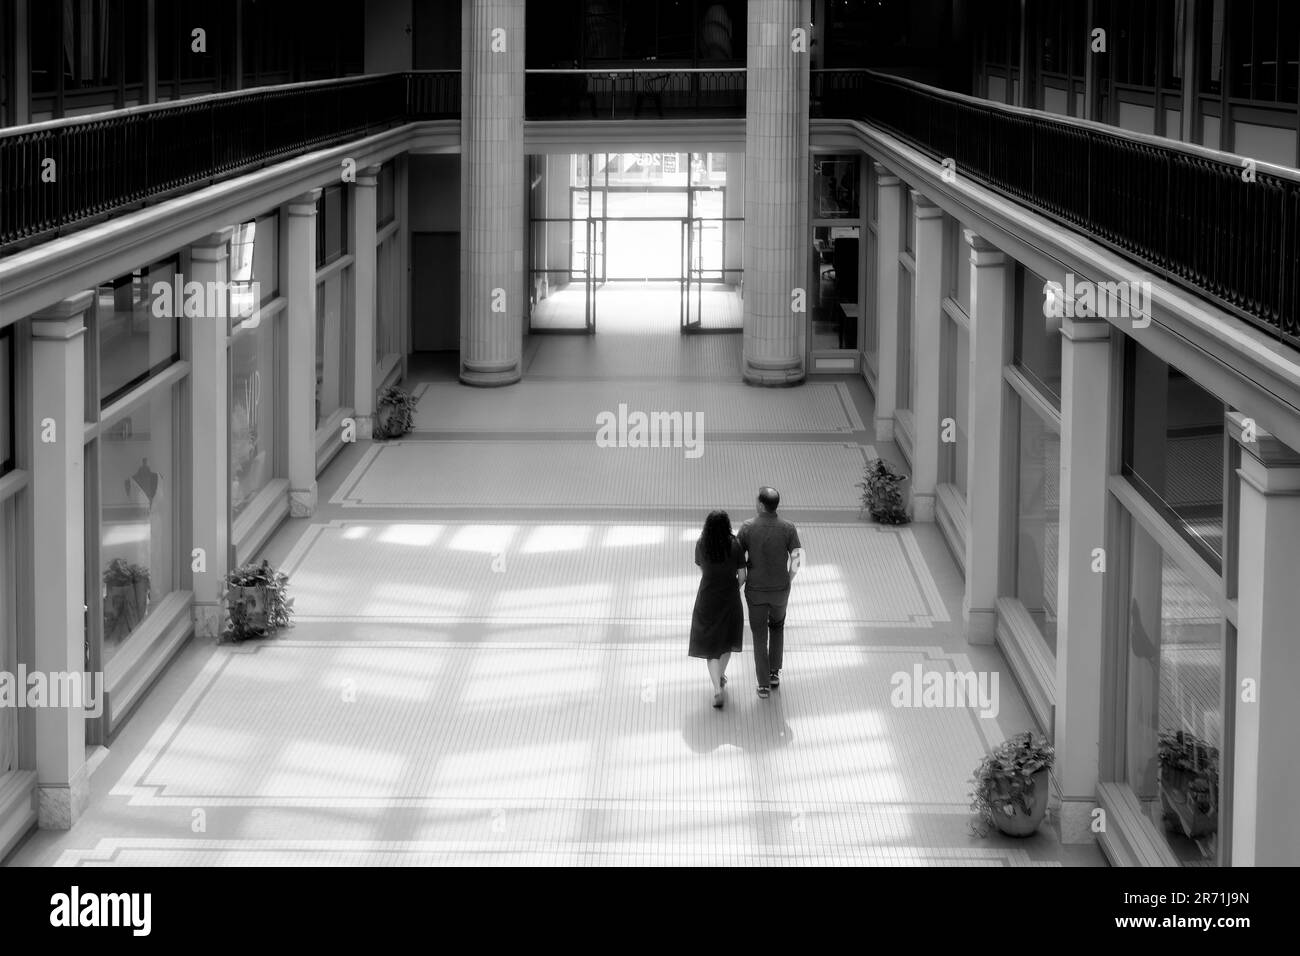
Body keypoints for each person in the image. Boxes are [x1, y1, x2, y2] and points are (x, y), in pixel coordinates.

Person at [738, 487, 803, 698]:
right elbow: (797, 559)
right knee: (777, 627)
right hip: (780, 591)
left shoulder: (748, 527)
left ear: (760, 504)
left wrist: (743, 577)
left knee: (759, 635)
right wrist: (788, 579)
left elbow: (737, 558)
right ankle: (774, 673)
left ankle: (763, 684)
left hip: (755, 591)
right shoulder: (788, 528)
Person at [688, 510, 746, 708]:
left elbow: (701, 567)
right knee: (727, 641)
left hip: (707, 598)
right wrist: (732, 587)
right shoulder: (735, 544)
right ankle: (721, 676)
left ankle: (717, 689)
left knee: (711, 646)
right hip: (729, 598)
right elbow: (742, 575)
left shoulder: (701, 544)